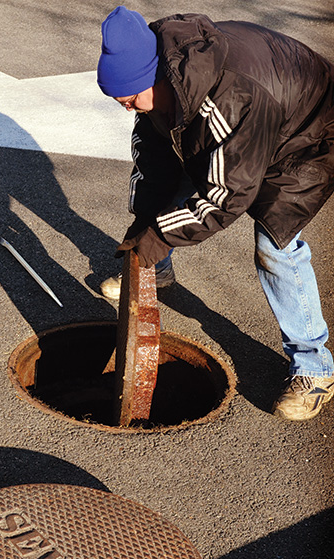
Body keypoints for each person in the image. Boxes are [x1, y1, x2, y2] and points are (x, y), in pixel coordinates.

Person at [97, 6, 334, 421]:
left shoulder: (231, 96)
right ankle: (159, 269)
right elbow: (155, 163)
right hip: (258, 120)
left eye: (132, 99)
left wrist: (158, 235)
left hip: (309, 133)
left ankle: (314, 367)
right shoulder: (161, 82)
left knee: (276, 244)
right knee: (173, 187)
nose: (129, 108)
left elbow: (227, 195)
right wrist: (144, 224)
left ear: (154, 78)